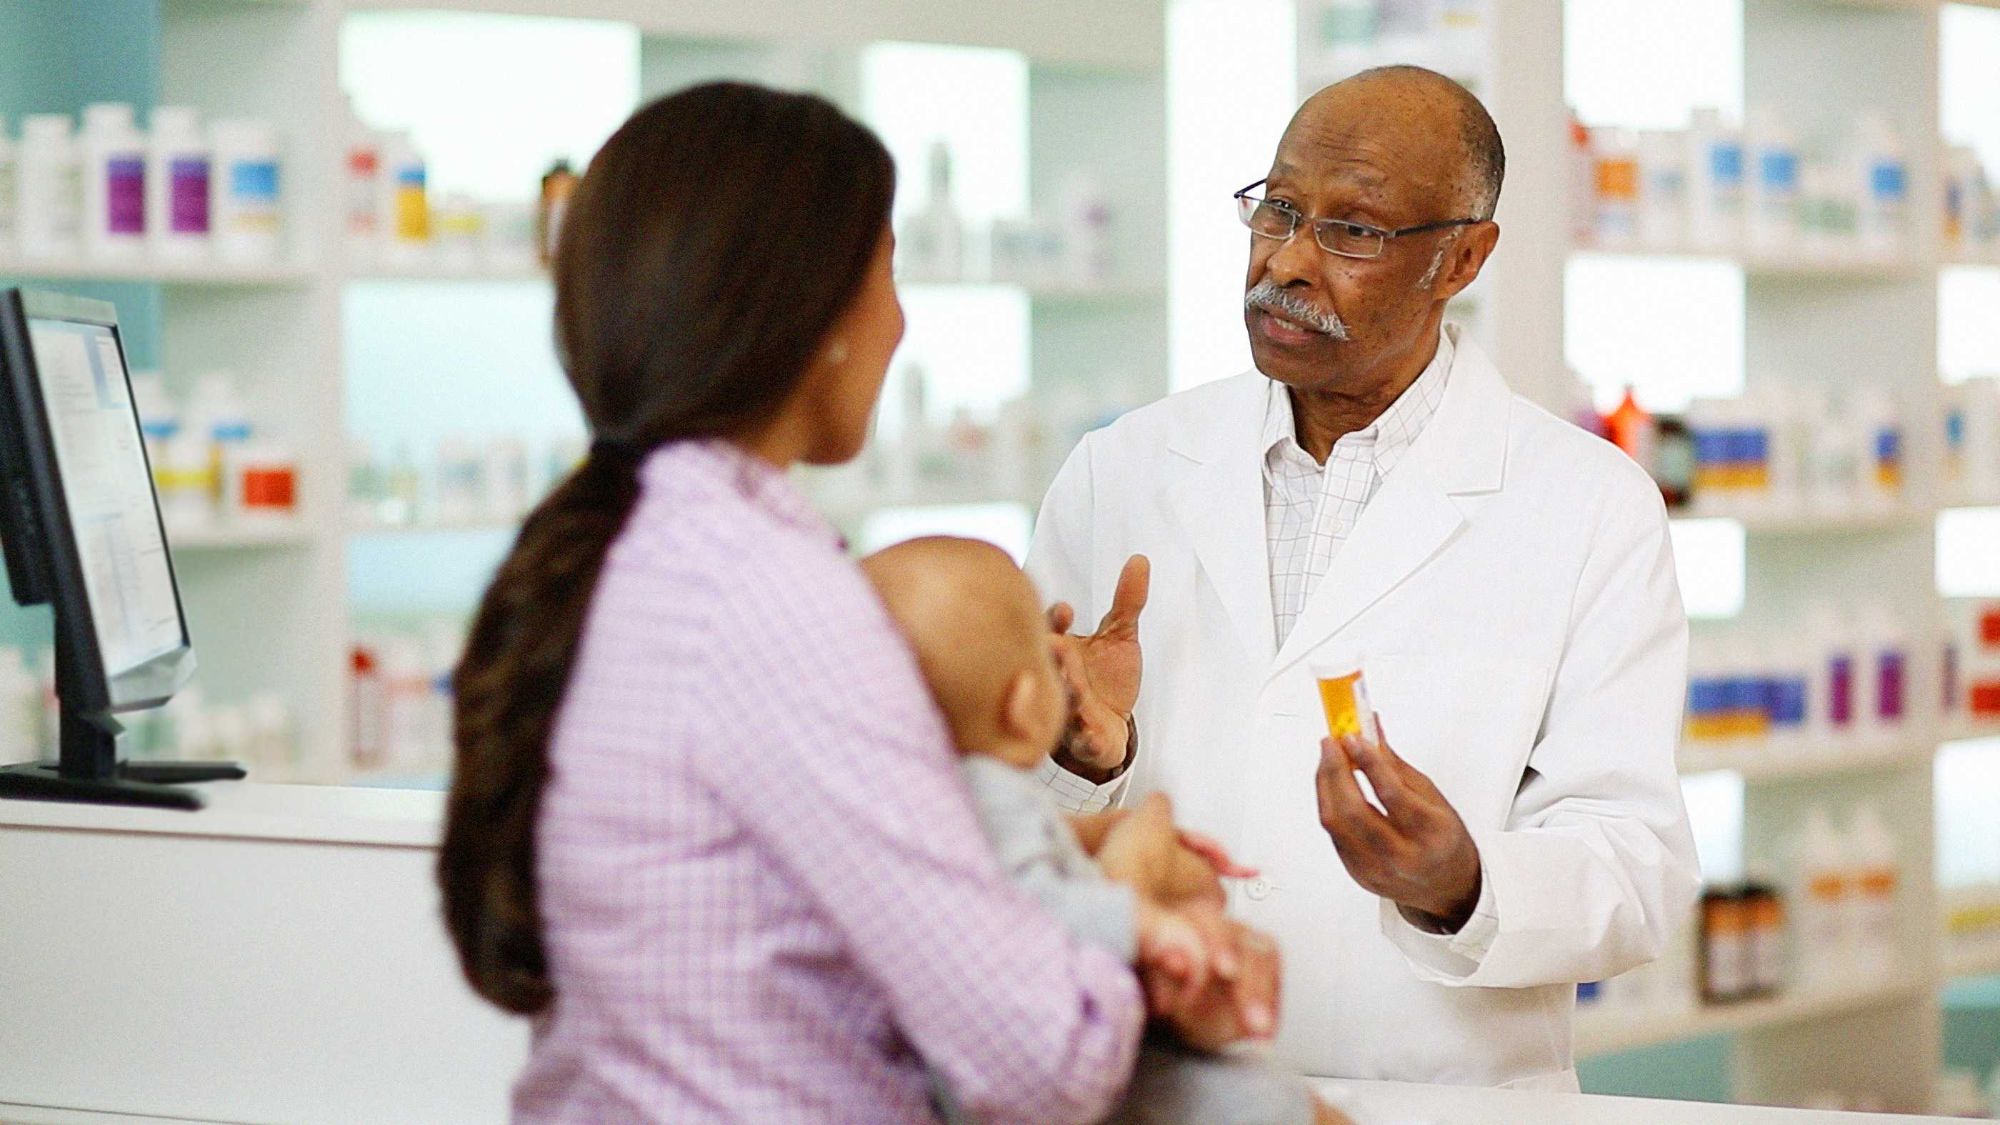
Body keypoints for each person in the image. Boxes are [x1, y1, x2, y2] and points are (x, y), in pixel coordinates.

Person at [433, 83, 1277, 1122]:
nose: (901, 321)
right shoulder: (769, 597)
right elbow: (1043, 1057)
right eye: (888, 273)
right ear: (815, 317)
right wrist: (1127, 893)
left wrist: (1058, 850)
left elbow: (787, 908)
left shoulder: (635, 546)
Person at [1028, 65, 1701, 1090]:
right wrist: (1081, 760)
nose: (1286, 262)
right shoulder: (1119, 471)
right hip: (1157, 1085)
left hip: (1442, 1098)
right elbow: (995, 819)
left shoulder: (1587, 506)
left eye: (1352, 231)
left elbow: (1635, 866)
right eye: (1278, 209)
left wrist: (1462, 883)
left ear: (1462, 258)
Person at [861, 537, 1349, 1125]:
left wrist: (1101, 839)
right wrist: (1145, 923)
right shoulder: (991, 795)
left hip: (993, 1063)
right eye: (1049, 661)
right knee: (1257, 1100)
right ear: (1023, 705)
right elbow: (1023, 908)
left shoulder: (922, 800)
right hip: (1063, 1062)